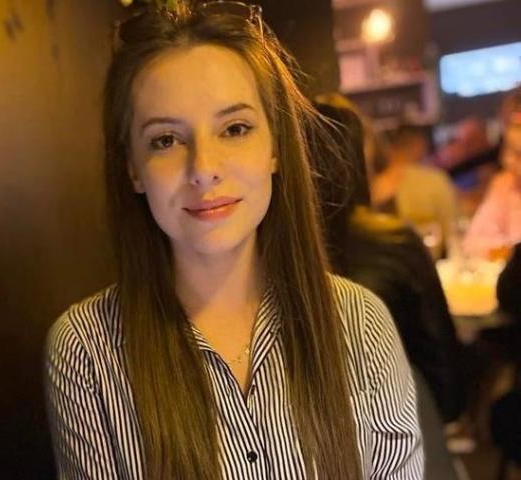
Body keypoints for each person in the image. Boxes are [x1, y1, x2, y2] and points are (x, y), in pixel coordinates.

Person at [44, 2, 422, 479]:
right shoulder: (86, 350)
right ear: (133, 169)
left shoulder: (359, 323)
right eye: (165, 140)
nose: (204, 169)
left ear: (275, 148)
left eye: (235, 129)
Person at [312, 98, 466, 428]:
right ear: (356, 161)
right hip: (399, 425)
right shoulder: (393, 240)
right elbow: (442, 366)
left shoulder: (258, 256)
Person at [372, 124, 458, 258]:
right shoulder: (434, 180)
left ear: (390, 148)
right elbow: (452, 230)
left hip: (384, 260)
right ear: (419, 146)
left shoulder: (376, 185)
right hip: (427, 262)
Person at [463, 87, 521, 258]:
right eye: (507, 149)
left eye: (518, 154)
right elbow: (471, 242)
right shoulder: (504, 184)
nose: (507, 160)